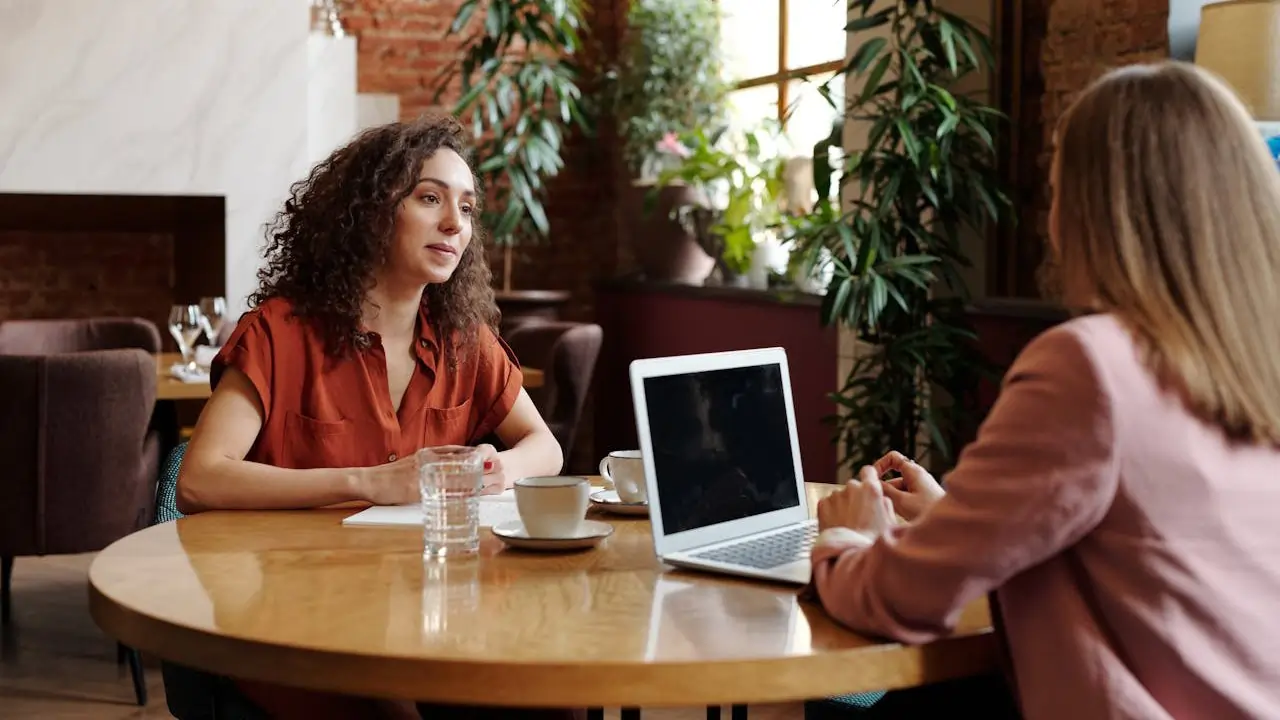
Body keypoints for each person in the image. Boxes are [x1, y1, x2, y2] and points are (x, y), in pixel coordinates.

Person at [810, 61, 1280, 719]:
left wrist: (848, 541)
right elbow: (1143, 548)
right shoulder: (1252, 362)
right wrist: (956, 518)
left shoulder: (1092, 366)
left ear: (1096, 213)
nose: (1052, 222)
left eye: (1056, 193)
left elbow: (905, 597)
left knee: (843, 703)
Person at [176, 114, 574, 719]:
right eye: (430, 198)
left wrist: (499, 465)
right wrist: (367, 481)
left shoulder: (465, 339)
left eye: (466, 208)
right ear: (371, 211)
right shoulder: (280, 334)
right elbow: (201, 477)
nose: (454, 224)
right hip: (300, 619)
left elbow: (545, 448)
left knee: (547, 700)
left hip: (437, 613)